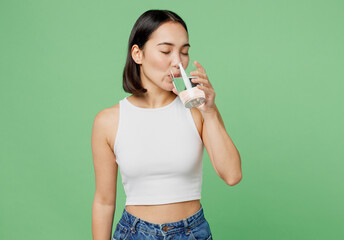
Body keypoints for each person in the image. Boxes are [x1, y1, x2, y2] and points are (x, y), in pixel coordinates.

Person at [91, 9, 242, 240]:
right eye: (165, 50)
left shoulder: (198, 111)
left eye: (184, 52)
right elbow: (103, 201)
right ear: (137, 54)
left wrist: (210, 112)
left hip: (192, 232)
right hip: (134, 233)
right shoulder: (108, 121)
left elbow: (232, 175)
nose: (177, 62)